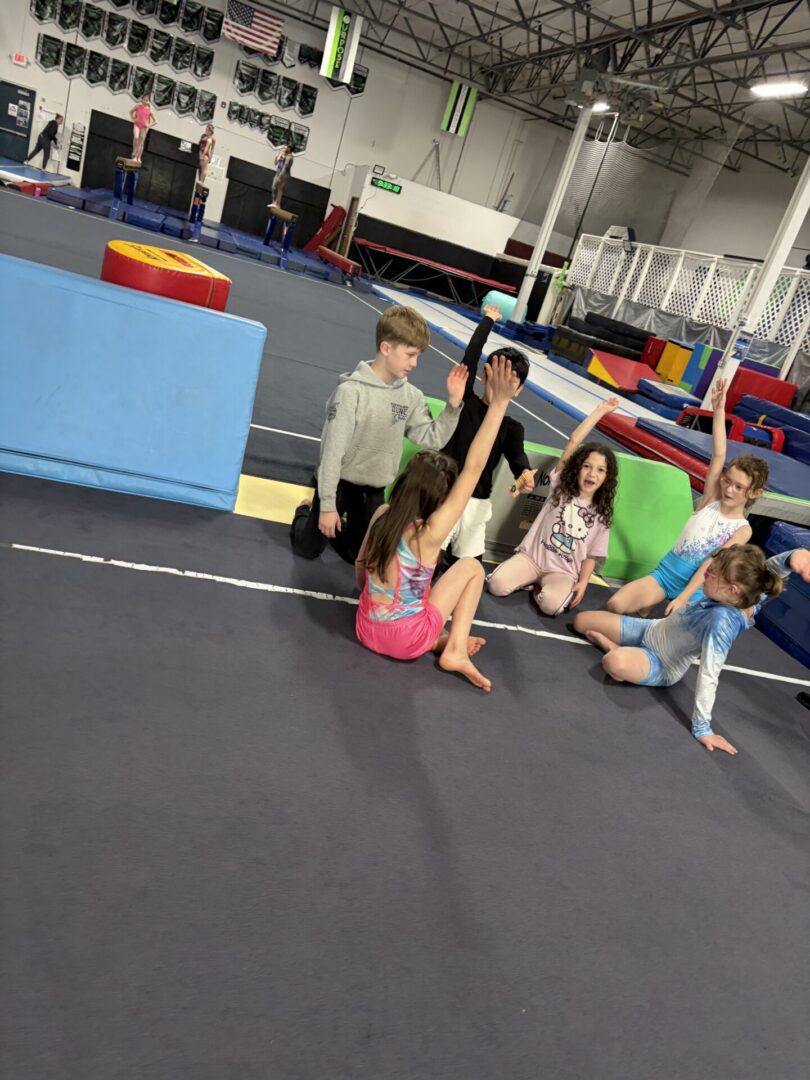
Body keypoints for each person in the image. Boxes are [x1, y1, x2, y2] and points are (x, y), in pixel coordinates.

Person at [355, 356, 520, 692]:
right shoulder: (428, 535)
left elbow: (361, 571)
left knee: (415, 592)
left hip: (366, 626)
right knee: (472, 567)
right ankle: (454, 649)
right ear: (438, 500)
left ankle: (440, 639)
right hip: (404, 641)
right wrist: (499, 403)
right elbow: (474, 469)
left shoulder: (382, 514)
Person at [573, 544, 808, 755]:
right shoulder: (749, 593)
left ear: (732, 590)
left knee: (615, 663)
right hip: (651, 630)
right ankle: (621, 650)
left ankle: (613, 648)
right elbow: (765, 572)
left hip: (662, 662)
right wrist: (792, 557)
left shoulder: (721, 624)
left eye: (711, 573)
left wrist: (702, 728)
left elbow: (709, 674)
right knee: (581, 621)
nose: (705, 574)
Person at [291, 305, 465, 565]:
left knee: (354, 557)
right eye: (410, 355)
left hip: (373, 490)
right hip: (340, 484)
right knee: (309, 549)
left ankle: (338, 527)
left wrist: (452, 406)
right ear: (386, 348)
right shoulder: (351, 393)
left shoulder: (411, 396)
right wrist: (327, 506)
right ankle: (305, 511)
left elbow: (432, 439)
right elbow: (332, 452)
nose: (414, 364)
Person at [607, 379, 768, 616]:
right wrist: (719, 410)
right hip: (667, 573)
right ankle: (650, 601)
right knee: (615, 606)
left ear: (754, 493)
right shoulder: (712, 498)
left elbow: (713, 562)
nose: (730, 490)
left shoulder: (742, 530)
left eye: (739, 487)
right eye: (728, 481)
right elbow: (719, 454)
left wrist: (683, 598)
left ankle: (660, 610)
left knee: (662, 635)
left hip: (697, 588)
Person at [487, 398, 620, 615]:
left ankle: (540, 587)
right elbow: (573, 442)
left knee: (553, 607)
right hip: (532, 558)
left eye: (600, 470)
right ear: (577, 469)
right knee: (496, 585)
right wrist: (599, 411)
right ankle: (531, 580)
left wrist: (583, 582)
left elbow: (591, 556)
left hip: (563, 571)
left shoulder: (602, 514)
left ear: (607, 477)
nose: (592, 474)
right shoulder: (561, 488)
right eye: (587, 466)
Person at [439, 304, 536, 564]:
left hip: (477, 502)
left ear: (518, 391)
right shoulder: (465, 401)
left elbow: (518, 460)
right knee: (430, 557)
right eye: (496, 378)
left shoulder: (512, 428)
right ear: (483, 375)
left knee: (468, 566)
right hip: (444, 492)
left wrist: (525, 476)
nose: (501, 387)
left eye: (510, 383)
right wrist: (488, 320)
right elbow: (471, 353)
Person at [129, 95, 157, 163]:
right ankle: (134, 152)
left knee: (141, 143)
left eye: (146, 100)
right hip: (137, 125)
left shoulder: (150, 110)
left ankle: (137, 157)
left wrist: (148, 125)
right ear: (142, 99)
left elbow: (155, 121)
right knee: (136, 137)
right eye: (144, 99)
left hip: (144, 128)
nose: (144, 101)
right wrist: (133, 119)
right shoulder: (138, 106)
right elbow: (131, 111)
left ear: (149, 102)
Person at [270, 143, 293, 207]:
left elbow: (285, 167)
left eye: (285, 148)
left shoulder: (289, 157)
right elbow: (275, 163)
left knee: (279, 189)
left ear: (289, 149)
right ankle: (274, 202)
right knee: (273, 187)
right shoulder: (282, 154)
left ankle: (278, 204)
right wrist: (276, 156)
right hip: (278, 172)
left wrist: (280, 177)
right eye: (283, 148)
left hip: (284, 174)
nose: (284, 149)